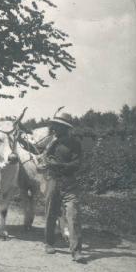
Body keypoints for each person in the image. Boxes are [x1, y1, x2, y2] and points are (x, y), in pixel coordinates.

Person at [42, 112, 86, 263]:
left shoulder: (75, 144)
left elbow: (77, 164)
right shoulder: (52, 143)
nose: (56, 128)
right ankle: (49, 243)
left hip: (69, 184)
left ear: (66, 128)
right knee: (50, 213)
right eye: (55, 126)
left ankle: (76, 251)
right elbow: (46, 158)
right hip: (53, 182)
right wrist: (49, 162)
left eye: (59, 126)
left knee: (73, 215)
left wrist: (58, 165)